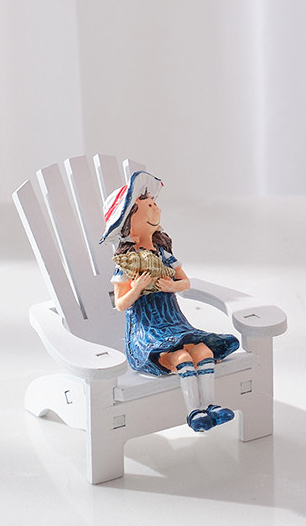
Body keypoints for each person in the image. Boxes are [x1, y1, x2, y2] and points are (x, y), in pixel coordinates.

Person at [99, 170, 239, 433]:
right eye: (148, 206)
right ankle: (194, 412)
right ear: (129, 223)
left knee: (204, 351)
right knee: (182, 356)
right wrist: (137, 288)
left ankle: (211, 406)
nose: (156, 208)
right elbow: (121, 304)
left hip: (174, 323)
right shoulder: (127, 263)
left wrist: (173, 286)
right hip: (147, 332)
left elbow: (185, 282)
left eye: (155, 204)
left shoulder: (163, 254)